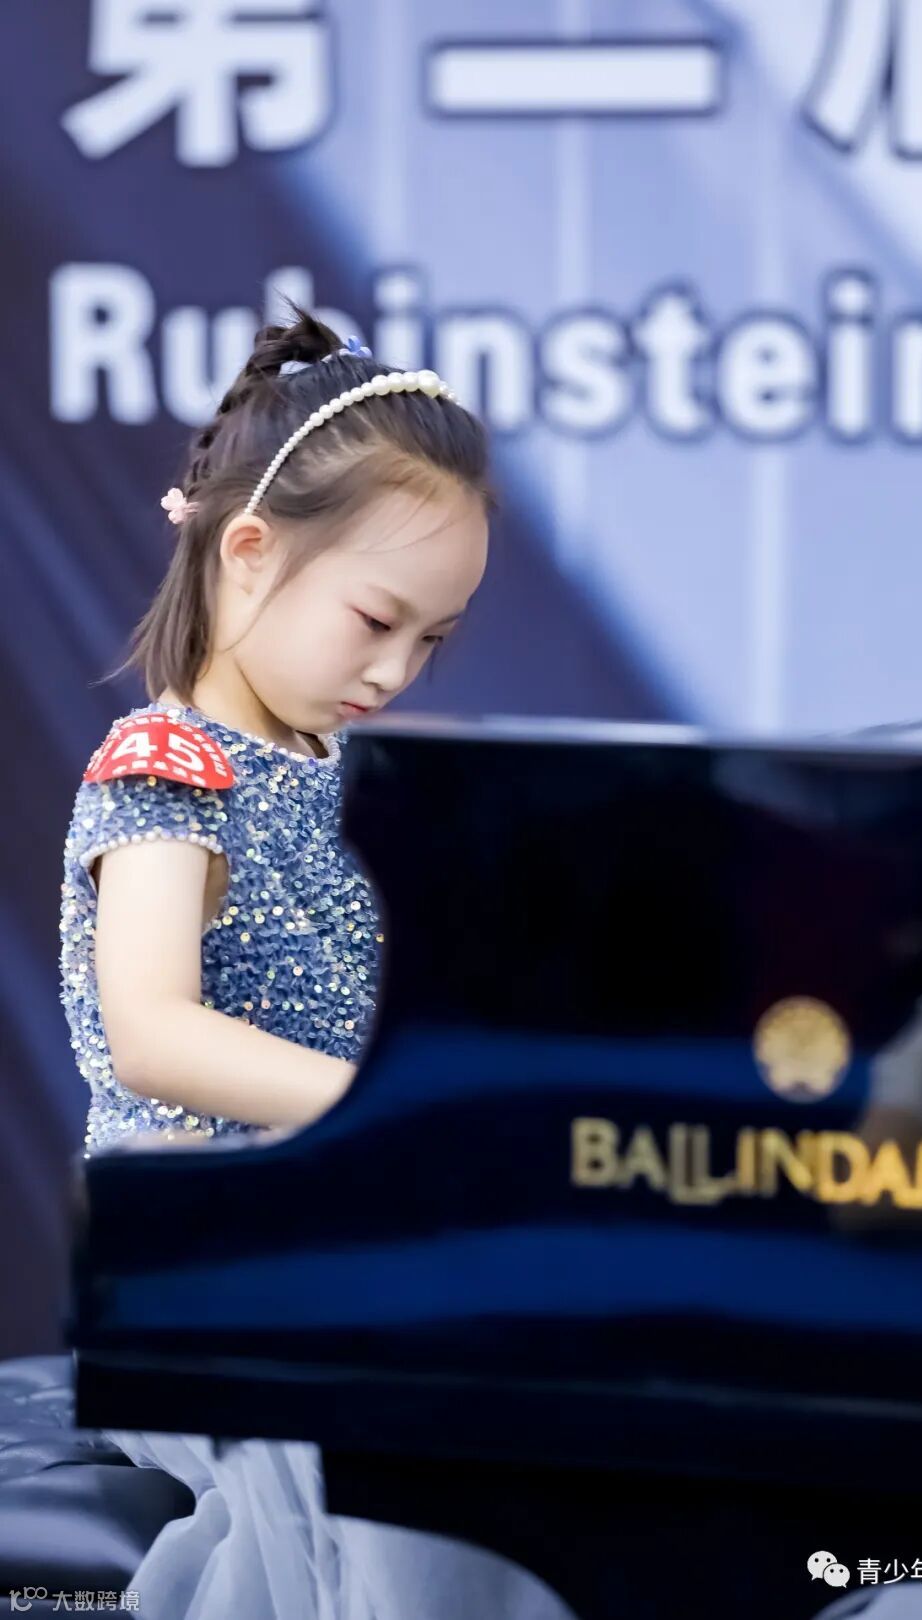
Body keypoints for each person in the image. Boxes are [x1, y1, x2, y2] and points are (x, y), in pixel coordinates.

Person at [52, 304, 577, 1619]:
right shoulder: (164, 764)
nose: (397, 670)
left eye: (432, 640)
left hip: (331, 1203)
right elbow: (154, 1033)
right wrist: (386, 1112)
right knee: (410, 1414)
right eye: (377, 619)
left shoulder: (354, 776)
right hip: (194, 1232)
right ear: (249, 553)